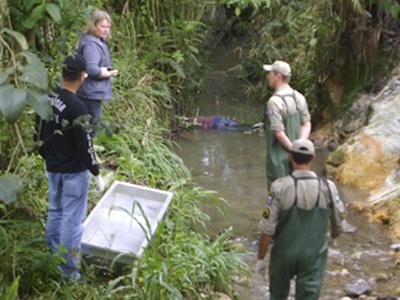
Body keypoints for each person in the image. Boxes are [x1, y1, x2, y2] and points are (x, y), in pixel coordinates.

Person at [36, 54, 105, 280]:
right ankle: (69, 273)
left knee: (55, 211)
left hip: (52, 167)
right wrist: (95, 172)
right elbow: (86, 145)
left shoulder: (48, 96)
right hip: (73, 173)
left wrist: (44, 155)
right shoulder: (78, 107)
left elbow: (38, 130)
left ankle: (54, 255)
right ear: (82, 76)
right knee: (73, 222)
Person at [255, 139, 344, 300]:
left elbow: (267, 230)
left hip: (283, 254)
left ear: (290, 157)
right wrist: (331, 238)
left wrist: (261, 258)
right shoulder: (329, 187)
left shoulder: (279, 187)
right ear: (312, 158)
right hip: (314, 257)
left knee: (277, 295)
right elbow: (338, 224)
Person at [263, 61, 311, 189]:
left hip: (278, 158)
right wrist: (300, 148)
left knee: (277, 193)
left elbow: (279, 133)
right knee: (297, 191)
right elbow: (306, 123)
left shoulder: (273, 102)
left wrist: (292, 150)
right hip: (298, 159)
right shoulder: (299, 97)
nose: (268, 77)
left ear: (278, 76)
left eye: (270, 74)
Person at [76, 9, 118, 119]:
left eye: (108, 27)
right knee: (90, 129)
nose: (106, 30)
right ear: (94, 26)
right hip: (89, 94)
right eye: (103, 26)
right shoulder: (92, 44)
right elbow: (91, 69)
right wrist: (109, 73)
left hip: (91, 93)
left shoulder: (96, 41)